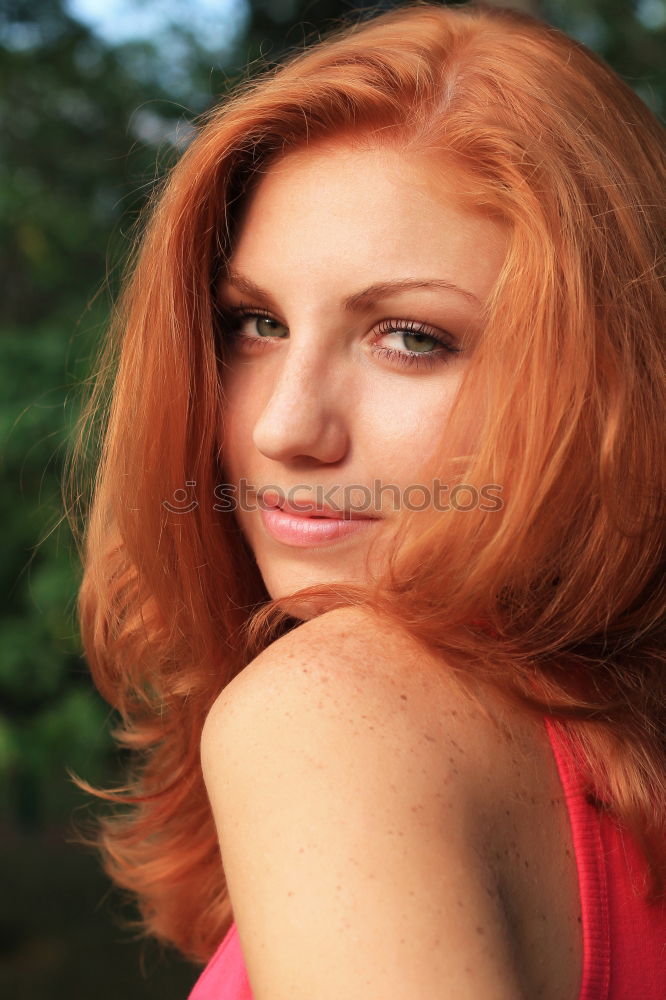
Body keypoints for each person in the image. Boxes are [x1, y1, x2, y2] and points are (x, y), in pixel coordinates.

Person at [68, 2, 666, 997]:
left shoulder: (333, 709)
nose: (285, 429)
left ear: (612, 388)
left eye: (412, 337)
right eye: (256, 322)